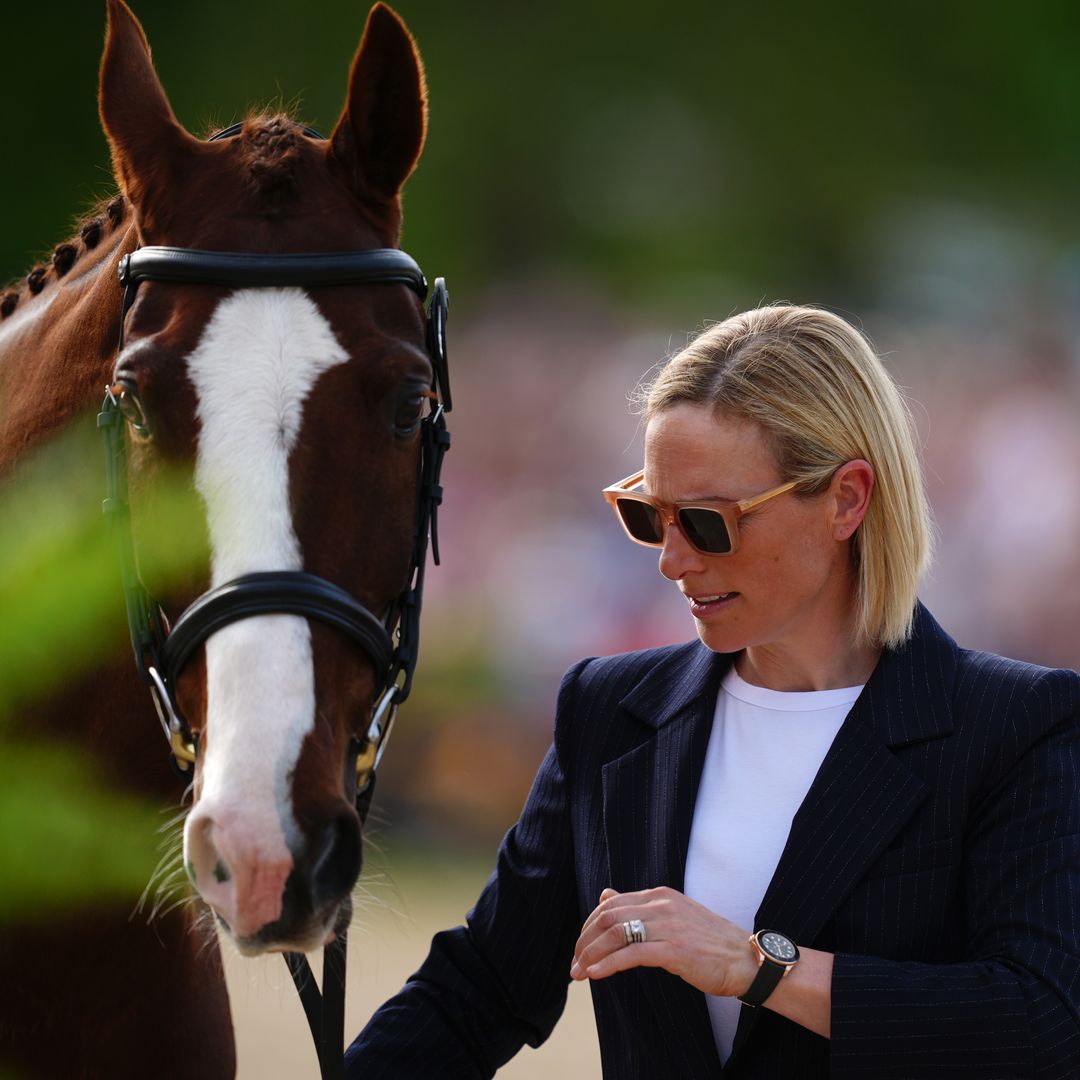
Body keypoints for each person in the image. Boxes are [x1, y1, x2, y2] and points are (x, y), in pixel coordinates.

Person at [344, 304, 1080, 1078]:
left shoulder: (1016, 727)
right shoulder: (610, 711)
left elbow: (1042, 1023)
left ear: (847, 499)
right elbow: (478, 993)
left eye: (706, 521)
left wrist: (757, 966)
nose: (670, 561)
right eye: (648, 516)